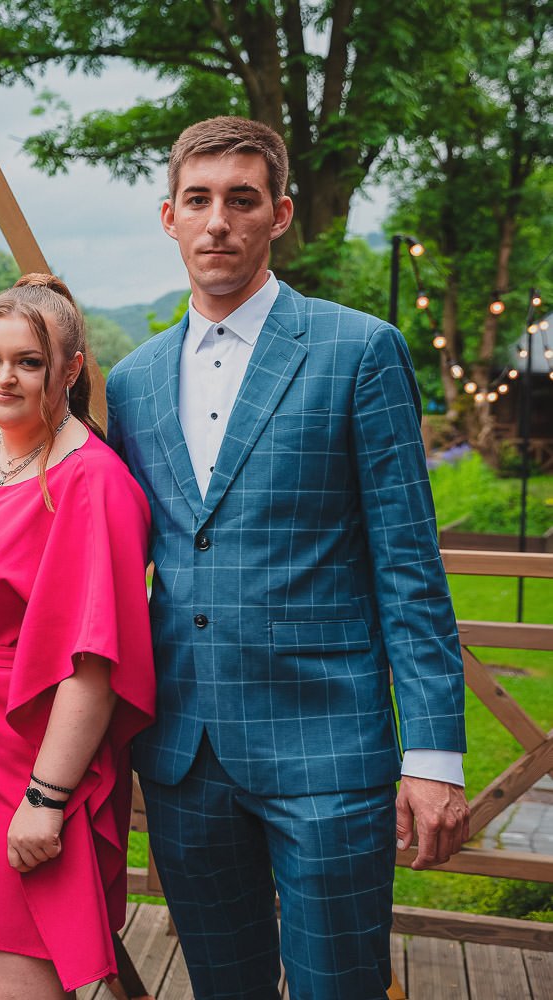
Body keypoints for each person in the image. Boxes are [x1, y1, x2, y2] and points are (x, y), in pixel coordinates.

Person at [104, 116, 470, 999]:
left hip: (327, 749)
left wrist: (434, 755)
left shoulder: (360, 350)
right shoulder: (132, 381)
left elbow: (410, 567)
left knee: (339, 985)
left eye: (242, 199)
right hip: (185, 756)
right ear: (169, 216)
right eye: (198, 200)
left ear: (280, 214)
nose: (218, 221)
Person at [0, 274, 156, 998]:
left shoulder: (93, 481)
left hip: (27, 750)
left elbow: (95, 663)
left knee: (22, 967)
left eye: (28, 362)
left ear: (71, 370)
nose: (3, 378)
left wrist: (46, 797)